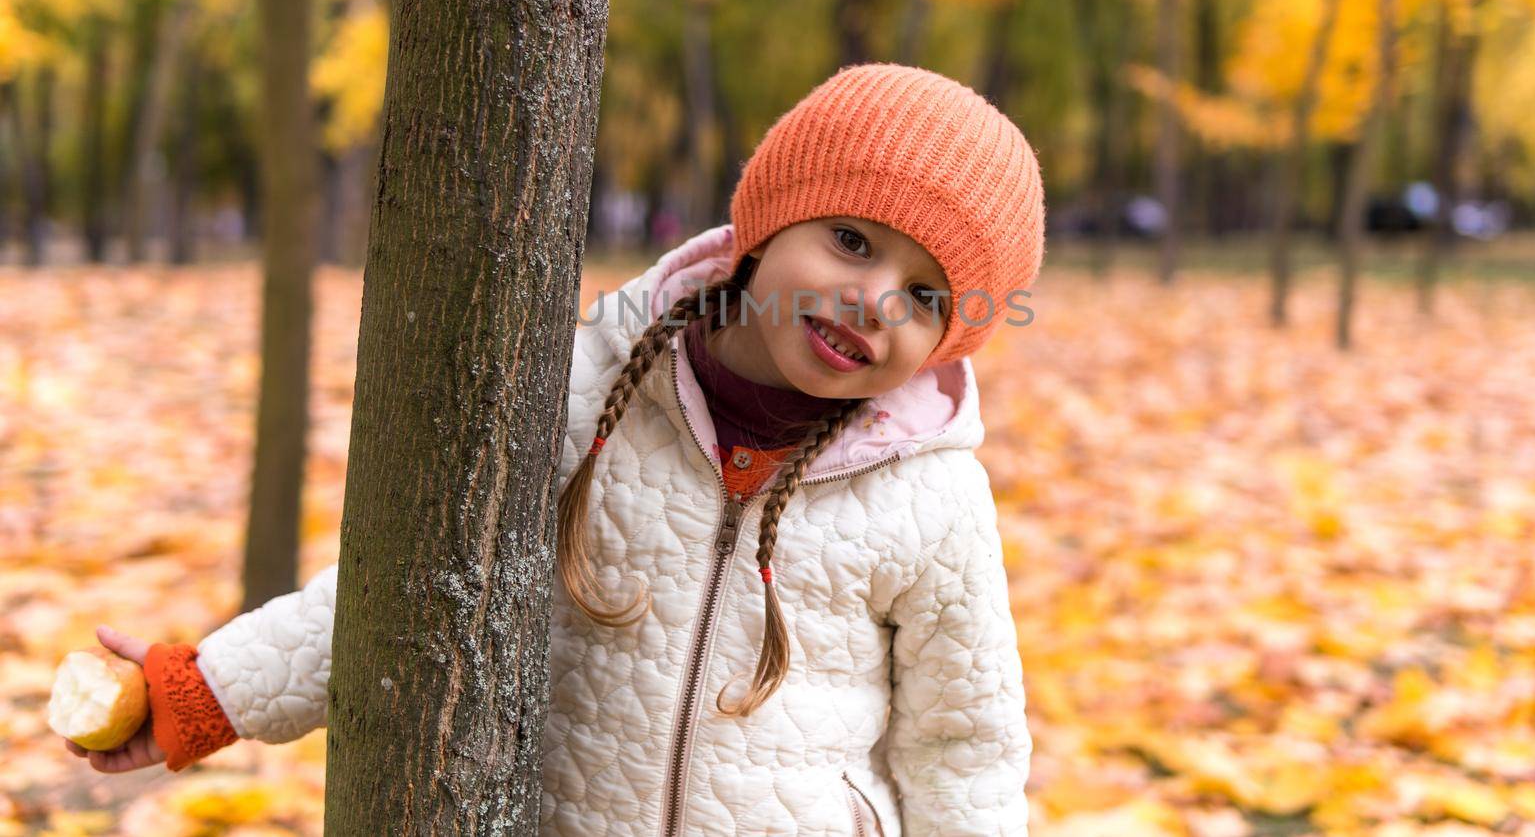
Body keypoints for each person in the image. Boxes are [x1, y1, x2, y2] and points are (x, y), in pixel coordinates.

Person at [64, 62, 1045, 836]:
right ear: (764, 223)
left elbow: (964, 742)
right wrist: (207, 691)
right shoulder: (583, 387)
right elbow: (411, 589)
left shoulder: (931, 495)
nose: (875, 299)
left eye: (925, 296)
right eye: (851, 240)